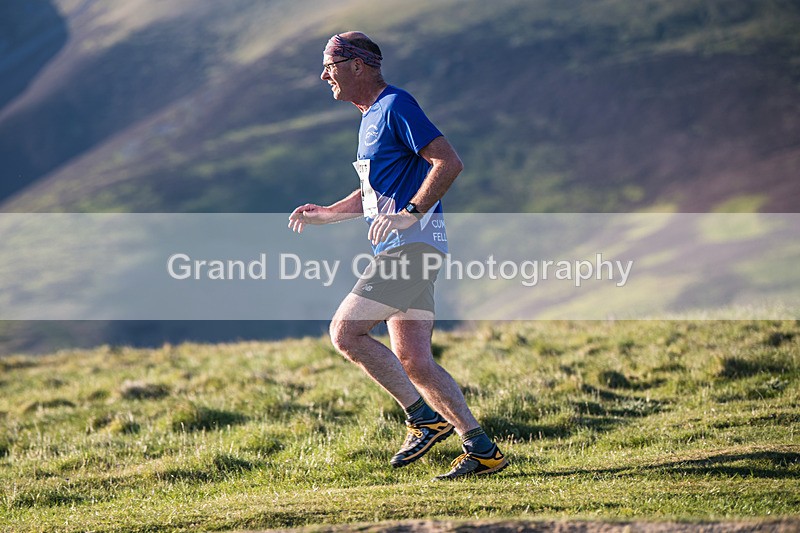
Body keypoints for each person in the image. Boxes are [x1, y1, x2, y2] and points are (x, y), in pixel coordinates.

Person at [288, 31, 507, 480]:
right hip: (408, 247)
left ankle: (422, 419)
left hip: (412, 247)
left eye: (329, 64)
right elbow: (374, 191)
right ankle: (481, 449)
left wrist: (411, 213)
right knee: (415, 360)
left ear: (357, 65)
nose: (323, 74)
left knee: (346, 333)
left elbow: (448, 161)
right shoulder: (370, 116)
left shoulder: (395, 105)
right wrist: (328, 214)